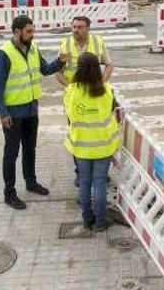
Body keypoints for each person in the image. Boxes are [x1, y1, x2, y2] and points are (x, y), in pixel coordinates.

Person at [0, 15, 68, 210]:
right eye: (29, 31)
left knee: (30, 149)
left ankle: (31, 182)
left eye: (33, 30)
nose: (32, 34)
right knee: (11, 154)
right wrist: (3, 113)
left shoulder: (33, 48)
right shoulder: (5, 54)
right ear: (17, 31)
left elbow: (45, 69)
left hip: (31, 110)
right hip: (13, 114)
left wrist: (60, 61)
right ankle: (9, 193)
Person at [64, 52, 121, 231]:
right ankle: (101, 222)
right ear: (98, 68)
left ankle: (87, 219)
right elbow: (113, 111)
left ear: (78, 68)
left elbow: (68, 114)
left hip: (81, 146)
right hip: (103, 146)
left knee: (84, 182)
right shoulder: (106, 90)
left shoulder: (72, 91)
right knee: (99, 183)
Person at [56, 16, 112, 87]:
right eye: (74, 27)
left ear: (88, 28)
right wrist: (69, 86)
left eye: (80, 27)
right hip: (73, 90)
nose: (76, 30)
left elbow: (109, 65)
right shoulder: (65, 44)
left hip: (94, 89)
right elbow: (57, 70)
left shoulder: (97, 42)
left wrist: (101, 82)